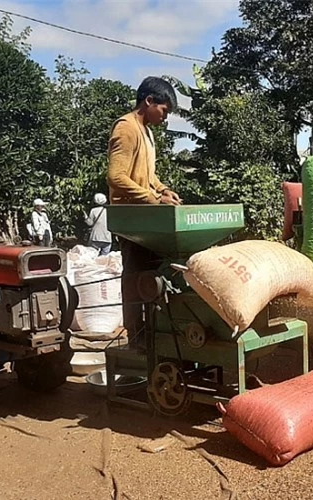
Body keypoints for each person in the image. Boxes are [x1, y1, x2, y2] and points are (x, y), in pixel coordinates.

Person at [107, 76, 182, 346]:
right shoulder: (126, 128)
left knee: (153, 277)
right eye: (164, 110)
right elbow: (117, 177)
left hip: (147, 219)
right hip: (131, 220)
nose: (165, 117)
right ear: (149, 101)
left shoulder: (147, 132)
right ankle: (136, 335)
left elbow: (147, 176)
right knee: (134, 277)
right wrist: (153, 198)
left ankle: (153, 331)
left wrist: (162, 190)